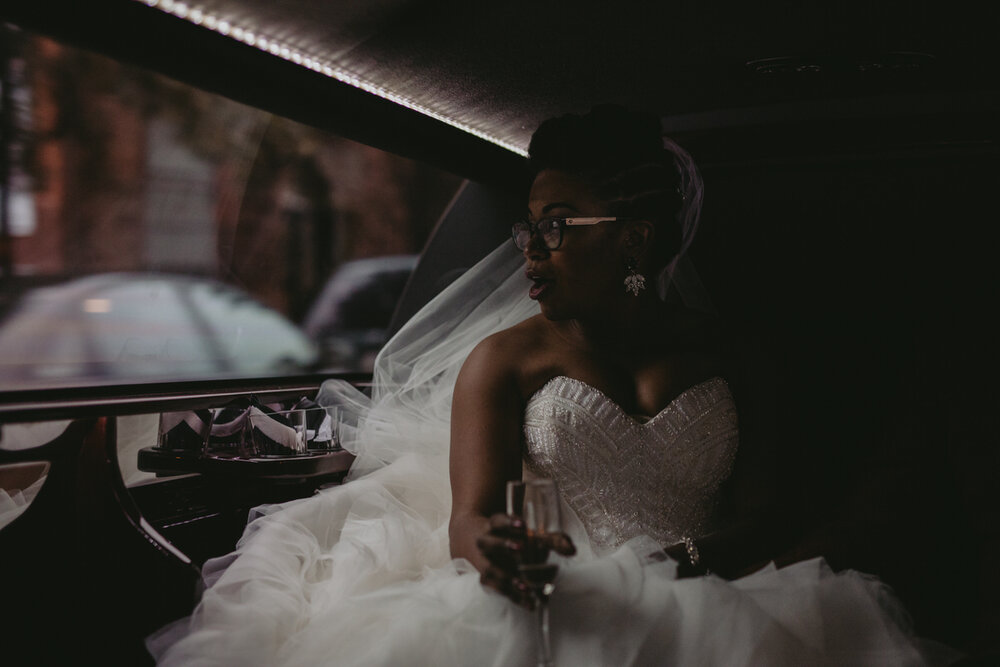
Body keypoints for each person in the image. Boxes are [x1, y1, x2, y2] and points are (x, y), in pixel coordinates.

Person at [148, 106, 958, 666]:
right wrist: (493, 552)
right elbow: (472, 518)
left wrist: (674, 566)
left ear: (634, 237)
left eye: (558, 225)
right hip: (549, 600)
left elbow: (763, 516)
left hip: (722, 603)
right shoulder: (502, 362)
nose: (531, 248)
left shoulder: (735, 357)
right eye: (528, 226)